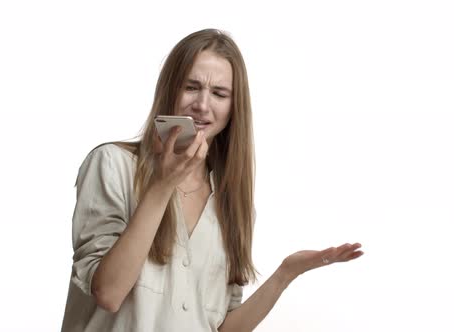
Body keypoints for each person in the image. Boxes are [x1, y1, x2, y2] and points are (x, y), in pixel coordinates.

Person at [61, 28, 364, 332]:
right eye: (191, 87)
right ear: (169, 89)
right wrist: (164, 184)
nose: (203, 105)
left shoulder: (232, 203)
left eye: (219, 94)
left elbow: (222, 327)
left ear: (234, 108)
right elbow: (108, 293)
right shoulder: (112, 164)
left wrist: (286, 274)